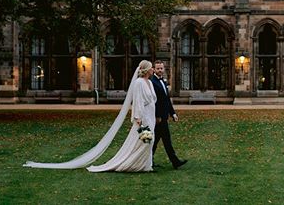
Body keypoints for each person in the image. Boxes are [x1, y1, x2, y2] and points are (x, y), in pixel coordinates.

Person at [23, 60, 156, 172]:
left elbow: (152, 99)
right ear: (146, 70)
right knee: (143, 141)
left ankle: (145, 164)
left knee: (148, 141)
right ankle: (131, 163)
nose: (153, 70)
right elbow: (138, 101)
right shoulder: (138, 83)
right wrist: (138, 117)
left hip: (151, 115)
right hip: (143, 116)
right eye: (151, 68)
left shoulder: (149, 83)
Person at [151, 60, 187, 169]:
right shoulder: (152, 82)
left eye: (161, 68)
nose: (160, 70)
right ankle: (175, 161)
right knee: (164, 140)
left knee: (156, 140)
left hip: (164, 116)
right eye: (158, 68)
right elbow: (154, 101)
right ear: (153, 69)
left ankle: (149, 160)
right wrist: (157, 116)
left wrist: (173, 113)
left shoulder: (163, 81)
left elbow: (167, 100)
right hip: (159, 118)